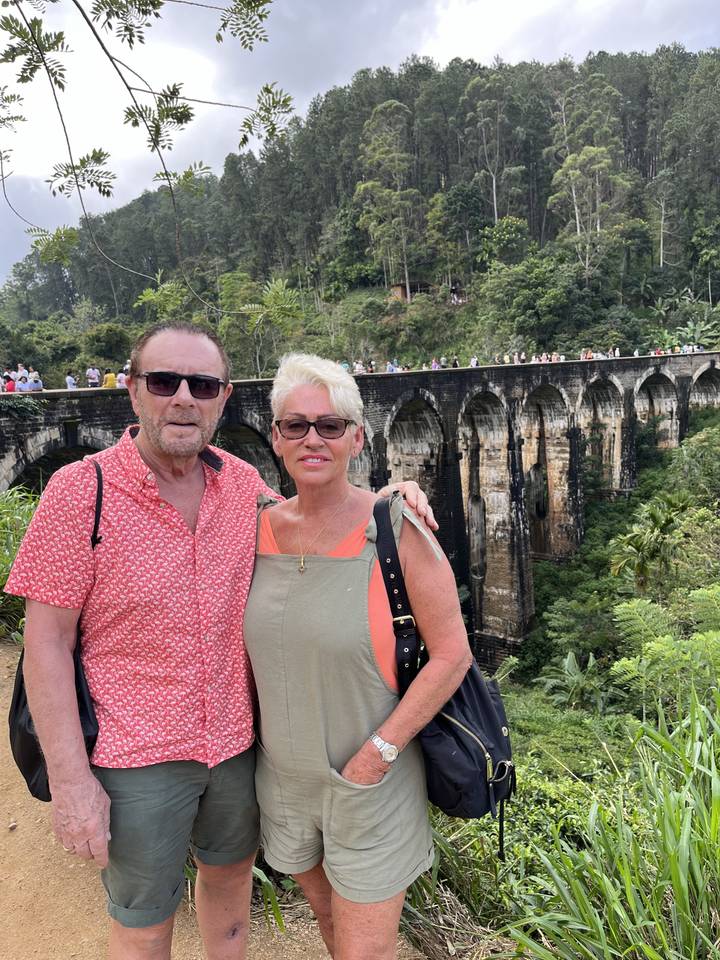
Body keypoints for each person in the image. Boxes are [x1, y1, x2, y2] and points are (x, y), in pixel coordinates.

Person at [4, 321, 434, 960]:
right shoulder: (79, 492)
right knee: (144, 923)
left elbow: (314, 517)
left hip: (236, 746)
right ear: (133, 390)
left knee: (229, 885)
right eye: (164, 381)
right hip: (135, 754)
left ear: (223, 398)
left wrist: (388, 499)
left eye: (202, 385)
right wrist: (70, 783)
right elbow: (45, 644)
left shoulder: (242, 486)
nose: (183, 397)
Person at [244, 354, 472, 960]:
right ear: (276, 438)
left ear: (358, 438)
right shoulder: (253, 530)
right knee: (327, 921)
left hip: (371, 782)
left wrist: (379, 755)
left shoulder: (398, 529)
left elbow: (452, 654)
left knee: (364, 950)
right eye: (296, 425)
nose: (312, 439)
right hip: (283, 781)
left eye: (331, 425)